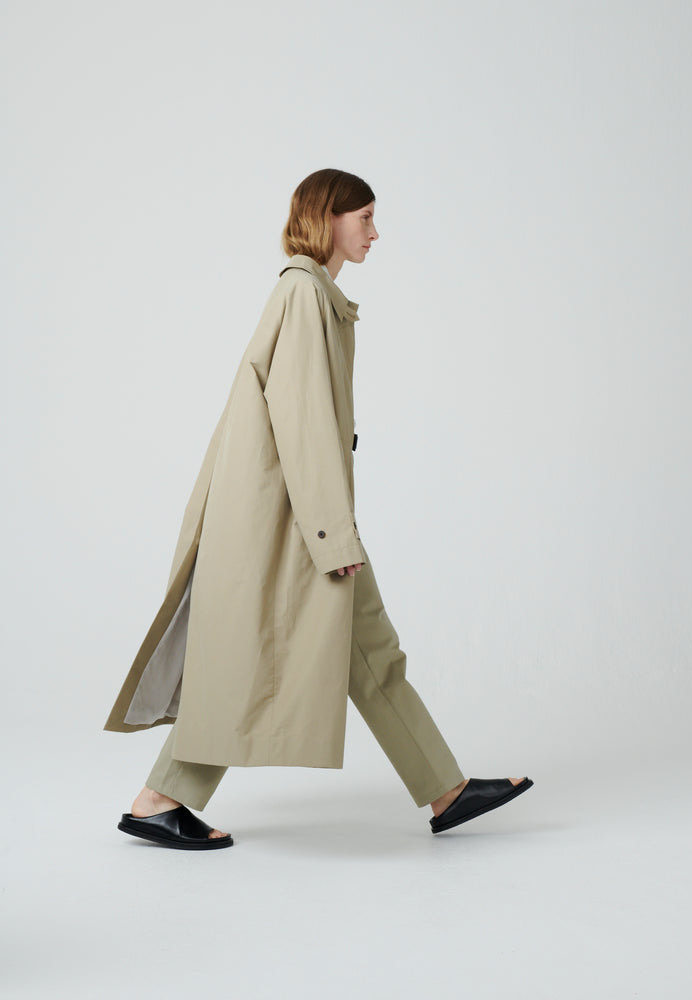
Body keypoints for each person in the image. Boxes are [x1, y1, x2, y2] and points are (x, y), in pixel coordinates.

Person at [106, 168, 533, 850]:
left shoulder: (314, 294)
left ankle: (445, 790)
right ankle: (159, 800)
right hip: (291, 523)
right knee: (255, 659)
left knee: (371, 653)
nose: (375, 232)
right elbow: (301, 423)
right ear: (328, 217)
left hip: (299, 515)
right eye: (365, 218)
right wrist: (334, 538)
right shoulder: (304, 293)